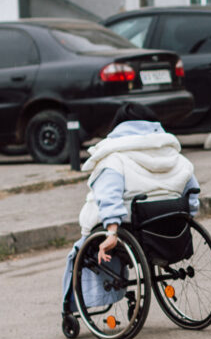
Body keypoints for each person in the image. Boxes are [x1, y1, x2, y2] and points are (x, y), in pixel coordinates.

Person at [61, 103, 199, 313]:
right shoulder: (175, 157)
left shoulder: (115, 159)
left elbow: (109, 197)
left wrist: (112, 231)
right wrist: (185, 217)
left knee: (82, 251)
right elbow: (192, 195)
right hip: (172, 229)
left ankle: (76, 306)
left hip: (130, 229)